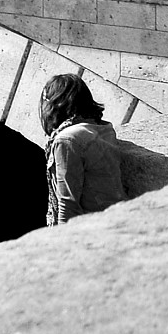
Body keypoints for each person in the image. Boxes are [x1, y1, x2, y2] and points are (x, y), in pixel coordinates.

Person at [40, 73, 127, 225]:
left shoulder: (67, 140)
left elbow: (68, 204)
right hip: (115, 218)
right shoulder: (102, 128)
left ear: (54, 104)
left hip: (92, 227)